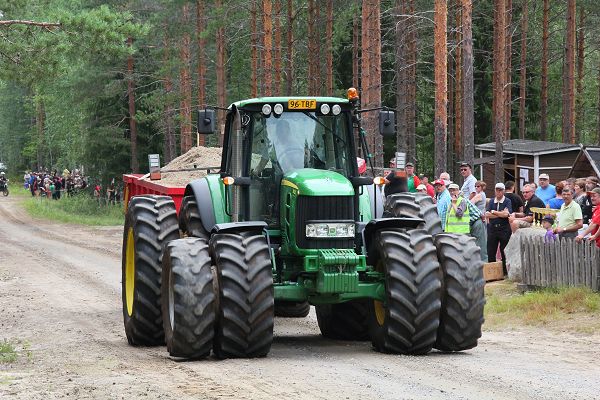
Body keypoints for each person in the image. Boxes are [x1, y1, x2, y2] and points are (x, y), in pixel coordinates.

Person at [446, 183, 487, 260]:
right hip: (468, 225)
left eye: (454, 190)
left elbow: (459, 214)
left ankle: (483, 265)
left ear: (458, 191)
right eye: (450, 191)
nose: (452, 192)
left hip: (476, 223)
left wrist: (454, 204)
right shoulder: (452, 201)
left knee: (479, 247)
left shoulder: (461, 201)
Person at [485, 182, 513, 274]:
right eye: (497, 190)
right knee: (491, 250)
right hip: (492, 228)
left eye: (500, 190)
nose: (498, 192)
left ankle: (505, 271)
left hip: (504, 229)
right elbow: (487, 214)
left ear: (504, 191)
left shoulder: (507, 201)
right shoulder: (492, 201)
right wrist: (500, 213)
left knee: (504, 250)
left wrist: (494, 212)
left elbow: (506, 214)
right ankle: (491, 272)